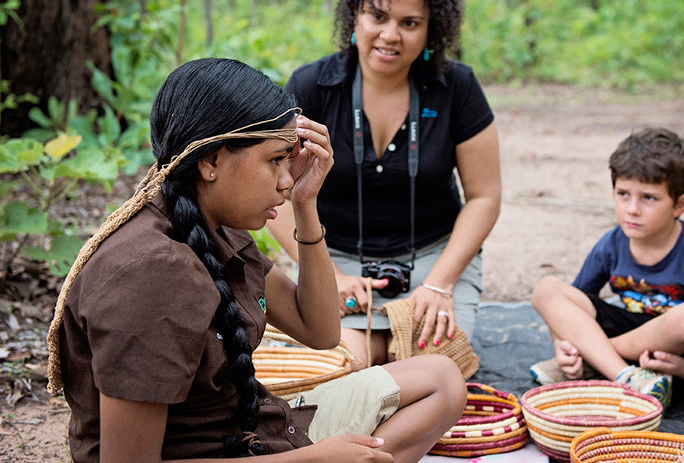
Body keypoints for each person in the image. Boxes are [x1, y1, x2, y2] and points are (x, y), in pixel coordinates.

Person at [45, 58, 467, 462]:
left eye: (288, 161)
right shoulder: (152, 275)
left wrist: (306, 203)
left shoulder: (214, 221)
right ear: (211, 161)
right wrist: (314, 460)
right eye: (274, 161)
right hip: (220, 450)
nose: (286, 180)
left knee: (442, 381)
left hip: (254, 430)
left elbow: (319, 330)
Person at [268, 0, 501, 370]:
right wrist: (330, 277)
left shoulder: (458, 87)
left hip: (434, 263)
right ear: (354, 14)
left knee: (440, 367)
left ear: (432, 28)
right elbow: (274, 192)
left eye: (410, 23)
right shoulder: (311, 85)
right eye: (377, 15)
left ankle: (385, 350)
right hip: (331, 258)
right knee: (338, 369)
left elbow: (484, 197)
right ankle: (377, 351)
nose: (390, 35)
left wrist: (440, 284)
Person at [530, 128, 684, 407]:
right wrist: (562, 347)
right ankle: (625, 376)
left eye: (648, 198)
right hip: (630, 345)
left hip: (674, 352)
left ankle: (596, 360)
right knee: (547, 289)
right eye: (623, 194)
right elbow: (571, 309)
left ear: (680, 205)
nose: (632, 209)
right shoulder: (612, 243)